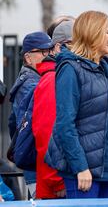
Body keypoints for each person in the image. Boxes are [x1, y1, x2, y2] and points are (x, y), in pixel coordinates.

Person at [45, 10, 108, 198]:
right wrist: (80, 167)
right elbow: (65, 124)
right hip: (83, 173)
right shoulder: (71, 69)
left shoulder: (107, 69)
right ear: (92, 33)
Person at [31, 21, 74, 199]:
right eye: (77, 43)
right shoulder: (53, 79)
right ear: (59, 47)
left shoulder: (63, 74)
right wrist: (56, 180)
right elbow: (45, 132)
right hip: (58, 186)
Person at [8, 32, 53, 199]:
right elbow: (33, 131)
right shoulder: (31, 84)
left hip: (38, 166)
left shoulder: (34, 80)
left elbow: (12, 124)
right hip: (38, 167)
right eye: (44, 52)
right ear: (28, 57)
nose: (50, 55)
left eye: (51, 50)